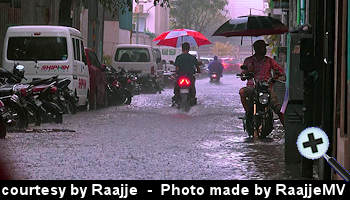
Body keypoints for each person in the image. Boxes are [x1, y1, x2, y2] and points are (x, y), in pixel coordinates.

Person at [239, 40, 285, 125]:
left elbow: (280, 72)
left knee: (278, 109)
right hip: (252, 88)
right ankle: (248, 112)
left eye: (265, 48)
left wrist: (274, 78)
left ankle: (287, 129)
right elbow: (243, 76)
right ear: (256, 49)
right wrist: (246, 74)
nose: (265, 50)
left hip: (267, 88)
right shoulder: (248, 61)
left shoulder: (269, 61)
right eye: (263, 48)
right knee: (242, 92)